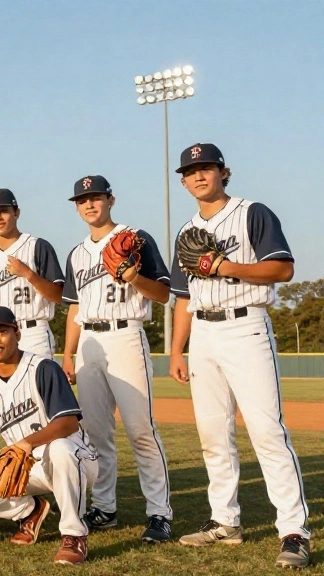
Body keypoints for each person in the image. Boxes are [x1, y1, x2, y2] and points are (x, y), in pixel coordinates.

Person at [168, 143, 310, 569]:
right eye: (190, 171)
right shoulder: (186, 231)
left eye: (206, 168)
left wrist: (225, 266)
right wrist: (177, 348)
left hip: (246, 326)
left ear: (223, 172)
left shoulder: (253, 212)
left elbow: (283, 269)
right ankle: (225, 521)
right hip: (204, 335)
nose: (198, 176)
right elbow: (181, 296)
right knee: (213, 435)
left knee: (267, 432)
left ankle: (294, 531)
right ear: (183, 180)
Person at [60, 175, 173, 544]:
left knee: (141, 430)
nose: (89, 204)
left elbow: (162, 294)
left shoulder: (135, 238)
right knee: (96, 433)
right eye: (82, 200)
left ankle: (159, 513)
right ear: (76, 207)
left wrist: (133, 275)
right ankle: (104, 507)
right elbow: (74, 307)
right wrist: (67, 354)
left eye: (95, 197)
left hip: (126, 334)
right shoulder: (77, 253)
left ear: (111, 199)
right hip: (88, 341)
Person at [0, 306, 98, 566]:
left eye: (1, 332)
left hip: (74, 459)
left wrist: (26, 443)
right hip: (23, 468)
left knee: (59, 448)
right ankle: (30, 510)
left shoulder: (43, 368)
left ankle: (73, 535)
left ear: (17, 334)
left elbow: (68, 423)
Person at [0, 189, 64, 376]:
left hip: (33, 333)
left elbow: (59, 296)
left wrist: (29, 274)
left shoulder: (37, 246)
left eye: (3, 211)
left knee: (39, 394)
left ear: (16, 212)